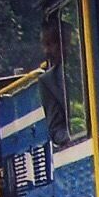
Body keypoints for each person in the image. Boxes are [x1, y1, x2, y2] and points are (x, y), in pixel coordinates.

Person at [38, 17, 70, 146]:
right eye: (44, 45)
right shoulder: (49, 82)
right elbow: (56, 131)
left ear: (65, 42)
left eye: (51, 44)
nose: (46, 51)